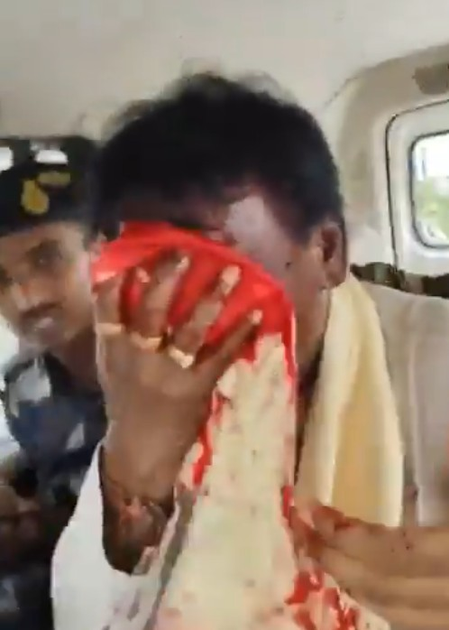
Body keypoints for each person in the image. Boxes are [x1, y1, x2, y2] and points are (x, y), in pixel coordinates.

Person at [52, 73, 449, 630]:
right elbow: (82, 612)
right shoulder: (154, 379)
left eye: (214, 274)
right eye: (145, 279)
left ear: (328, 251)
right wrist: (135, 460)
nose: (181, 315)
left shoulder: (433, 360)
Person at [0, 141, 114, 630]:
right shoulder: (23, 385)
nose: (26, 299)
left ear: (103, 250)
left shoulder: (169, 370)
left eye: (47, 259)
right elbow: (47, 473)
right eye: (0, 280)